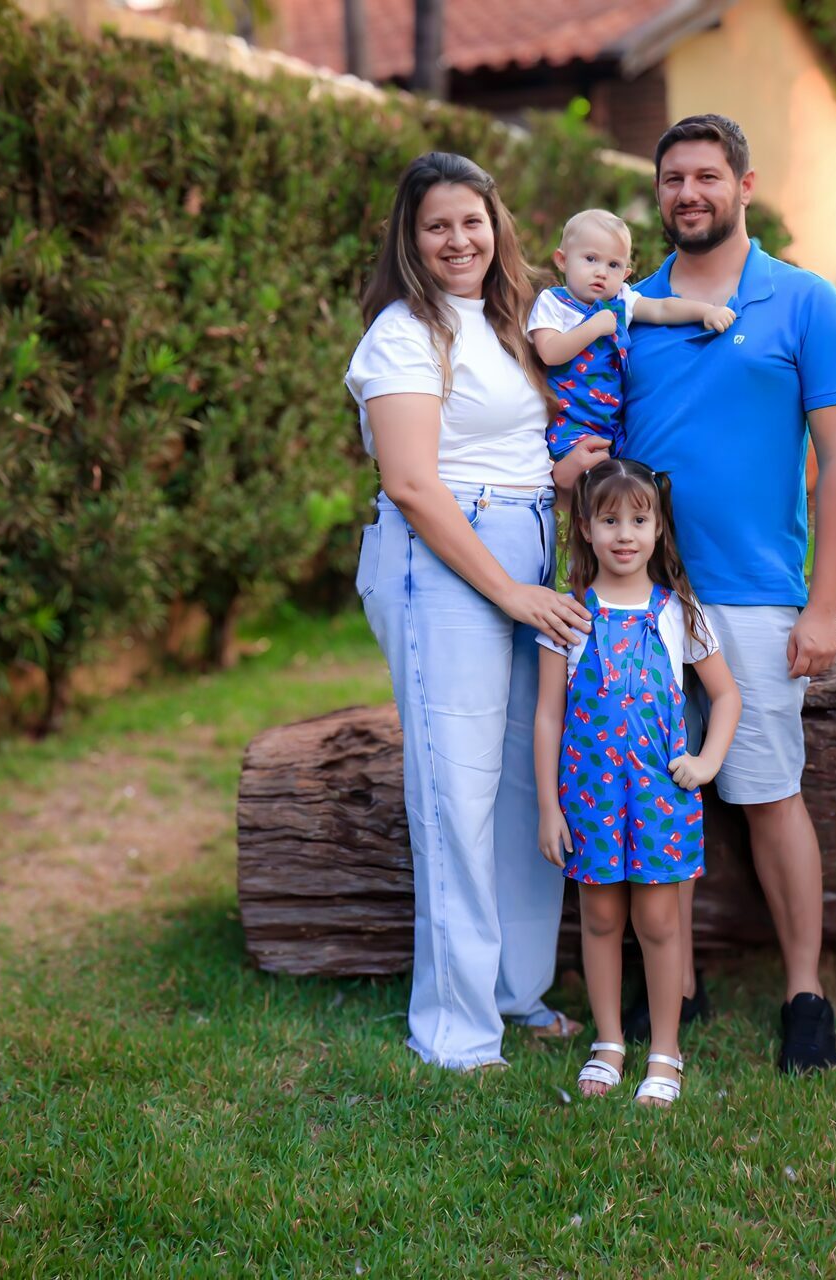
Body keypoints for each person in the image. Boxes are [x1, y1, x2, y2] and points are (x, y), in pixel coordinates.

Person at [553, 115, 836, 1075]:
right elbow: (588, 429)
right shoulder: (628, 310)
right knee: (653, 783)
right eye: (673, 179)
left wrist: (824, 607)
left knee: (768, 792)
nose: (689, 193)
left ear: (744, 186)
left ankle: (805, 994)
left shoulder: (806, 301)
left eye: (707, 176)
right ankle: (674, 985)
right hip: (638, 600)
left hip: (757, 594)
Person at [345, 152, 591, 1072]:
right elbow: (413, 482)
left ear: (497, 227)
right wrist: (510, 591)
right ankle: (455, 1028)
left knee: (529, 779)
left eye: (472, 221)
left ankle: (514, 990)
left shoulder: (508, 320)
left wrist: (565, 477)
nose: (459, 241)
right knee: (457, 791)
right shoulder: (402, 335)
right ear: (410, 239)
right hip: (444, 568)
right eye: (437, 225)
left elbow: (518, 444)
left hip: (528, 548)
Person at [534, 459, 741, 1106]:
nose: (624, 534)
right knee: (599, 917)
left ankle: (665, 1051)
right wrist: (548, 809)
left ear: (657, 530)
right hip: (588, 797)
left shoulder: (680, 613)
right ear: (585, 529)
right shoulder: (569, 616)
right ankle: (608, 1043)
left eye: (638, 520)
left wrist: (706, 763)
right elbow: (548, 717)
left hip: (659, 799)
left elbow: (727, 697)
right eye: (609, 520)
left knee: (657, 920)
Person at [526, 209, 737, 461]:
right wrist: (593, 327)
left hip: (612, 425)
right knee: (592, 475)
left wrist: (706, 312)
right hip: (567, 423)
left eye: (613, 265)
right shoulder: (553, 302)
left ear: (625, 274)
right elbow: (550, 352)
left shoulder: (621, 301)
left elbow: (662, 308)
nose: (601, 272)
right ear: (562, 260)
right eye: (591, 259)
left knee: (624, 476)